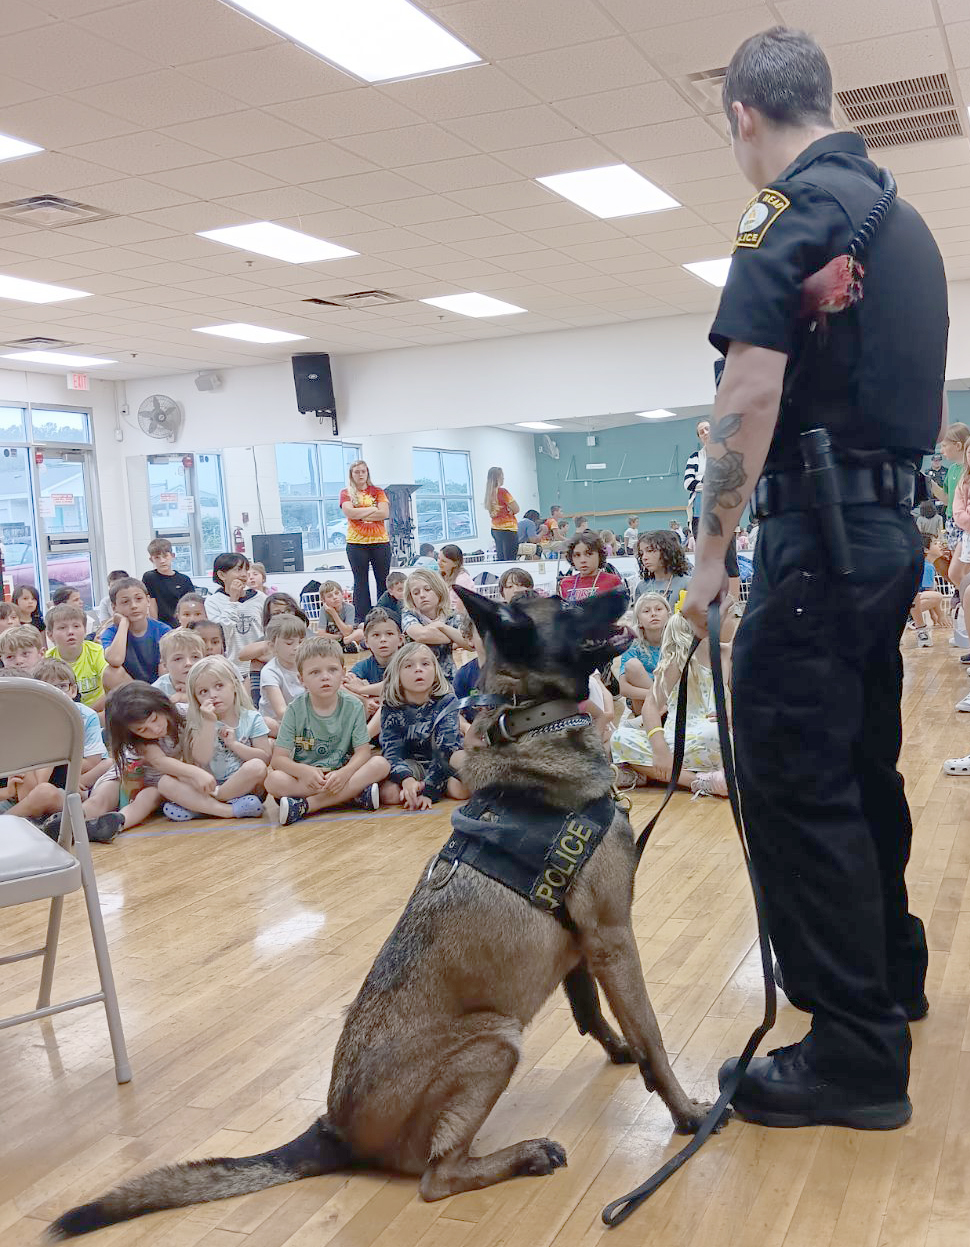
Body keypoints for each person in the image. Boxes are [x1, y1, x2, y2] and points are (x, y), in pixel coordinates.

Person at [682, 26, 947, 1129]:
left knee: (796, 777)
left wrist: (706, 555)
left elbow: (746, 394)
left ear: (742, 116)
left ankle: (849, 1050)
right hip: (884, 535)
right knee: (857, 759)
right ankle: (886, 974)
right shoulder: (909, 221)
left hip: (817, 543)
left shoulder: (784, 212)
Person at [265, 637, 391, 825]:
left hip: (342, 774)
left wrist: (346, 772)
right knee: (273, 781)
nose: (325, 677)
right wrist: (303, 771)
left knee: (381, 764)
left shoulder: (354, 706)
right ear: (301, 679)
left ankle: (306, 805)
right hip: (308, 779)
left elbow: (363, 752)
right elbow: (278, 760)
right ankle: (351, 795)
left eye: (332, 670)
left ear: (343, 673)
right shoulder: (294, 710)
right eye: (315, 672)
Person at [3, 659, 120, 843]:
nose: (56, 694)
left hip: (52, 796)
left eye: (61, 687)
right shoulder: (30, 730)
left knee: (53, 793)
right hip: (22, 802)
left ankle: (64, 826)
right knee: (45, 793)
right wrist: (8, 793)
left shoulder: (54, 725)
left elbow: (93, 762)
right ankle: (83, 827)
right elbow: (27, 792)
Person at [612, 612, 727, 797]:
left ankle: (654, 775)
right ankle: (702, 781)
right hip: (689, 738)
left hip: (706, 735)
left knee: (621, 739)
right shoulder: (678, 661)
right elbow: (650, 705)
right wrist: (660, 749)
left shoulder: (725, 652)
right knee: (620, 737)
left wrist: (731, 713)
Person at [83, 683, 209, 834]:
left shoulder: (184, 714)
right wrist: (196, 773)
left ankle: (114, 824)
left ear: (160, 704)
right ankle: (69, 823)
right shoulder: (137, 741)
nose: (155, 729)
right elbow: (160, 761)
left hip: (159, 782)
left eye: (155, 719)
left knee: (147, 798)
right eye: (142, 729)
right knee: (100, 800)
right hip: (127, 773)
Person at [162, 656, 269, 821]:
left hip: (245, 786)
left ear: (234, 685)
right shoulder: (200, 721)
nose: (213, 695)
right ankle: (219, 807)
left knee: (257, 766)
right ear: (196, 698)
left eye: (219, 686)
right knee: (165, 782)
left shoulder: (252, 717)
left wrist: (234, 744)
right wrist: (209, 723)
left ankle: (203, 806)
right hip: (211, 783)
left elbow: (264, 757)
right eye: (203, 692)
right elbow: (200, 758)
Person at [378, 643, 468, 810]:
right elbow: (391, 751)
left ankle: (430, 787)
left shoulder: (447, 701)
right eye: (409, 665)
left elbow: (446, 750)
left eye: (425, 664)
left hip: (444, 764)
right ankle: (414, 788)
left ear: (435, 671)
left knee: (461, 790)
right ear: (397, 674)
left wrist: (428, 792)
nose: (418, 669)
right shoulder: (390, 706)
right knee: (389, 795)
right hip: (412, 764)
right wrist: (407, 780)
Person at [340, 459, 391, 622]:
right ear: (352, 475)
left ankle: (386, 614)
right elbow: (350, 513)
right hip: (356, 543)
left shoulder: (378, 491)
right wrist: (372, 509)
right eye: (357, 472)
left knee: (383, 579)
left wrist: (359, 512)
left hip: (380, 542)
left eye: (363, 471)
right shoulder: (346, 492)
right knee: (360, 581)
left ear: (367, 473)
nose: (360, 474)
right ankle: (362, 618)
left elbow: (384, 513)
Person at [204, 553, 264, 680]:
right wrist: (233, 600)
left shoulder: (260, 598)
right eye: (238, 570)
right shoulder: (213, 602)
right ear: (221, 575)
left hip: (259, 665)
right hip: (231, 667)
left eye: (246, 569)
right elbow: (222, 635)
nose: (244, 574)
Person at [400, 568, 467, 682]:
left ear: (438, 590)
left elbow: (468, 643)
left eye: (427, 589)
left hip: (448, 677)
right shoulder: (409, 614)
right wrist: (452, 637)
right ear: (411, 598)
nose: (422, 595)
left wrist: (441, 626)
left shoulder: (451, 615)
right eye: (416, 593)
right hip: (416, 679)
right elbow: (421, 635)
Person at [101, 577, 170, 685]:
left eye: (138, 599)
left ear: (147, 601)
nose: (134, 606)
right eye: (125, 602)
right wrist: (123, 625)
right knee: (111, 673)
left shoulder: (163, 630)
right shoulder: (110, 632)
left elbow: (166, 673)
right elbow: (115, 660)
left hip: (159, 689)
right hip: (131, 690)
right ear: (114, 608)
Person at [45, 602, 114, 710]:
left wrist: (88, 713)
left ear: (85, 630)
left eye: (76, 626)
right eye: (62, 628)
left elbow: (112, 688)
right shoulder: (47, 659)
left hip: (96, 710)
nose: (70, 632)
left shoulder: (97, 652)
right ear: (50, 635)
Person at [343, 608, 403, 723]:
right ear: (366, 642)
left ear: (400, 639)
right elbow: (342, 685)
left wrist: (361, 689)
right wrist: (366, 700)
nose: (383, 640)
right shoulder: (365, 665)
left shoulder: (407, 661)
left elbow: (396, 685)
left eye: (389, 634)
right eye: (376, 635)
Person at [617, 592, 672, 714]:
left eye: (658, 609)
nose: (653, 613)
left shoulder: (677, 641)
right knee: (632, 664)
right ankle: (657, 713)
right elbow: (623, 689)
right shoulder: (633, 645)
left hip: (672, 694)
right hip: (644, 702)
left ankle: (661, 713)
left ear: (669, 616)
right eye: (646, 611)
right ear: (639, 621)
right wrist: (658, 696)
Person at [257, 614, 307, 734]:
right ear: (272, 646)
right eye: (289, 643)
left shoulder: (307, 664)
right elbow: (281, 711)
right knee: (268, 723)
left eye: (300, 642)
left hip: (306, 718)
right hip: (280, 723)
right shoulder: (270, 672)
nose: (297, 647)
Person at [142, 537, 196, 628]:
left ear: (172, 556)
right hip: (160, 626)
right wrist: (155, 627)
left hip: (181, 625)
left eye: (165, 556)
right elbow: (151, 603)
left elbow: (190, 605)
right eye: (157, 557)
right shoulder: (149, 577)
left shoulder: (184, 580)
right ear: (151, 560)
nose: (162, 561)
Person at [634, 531, 693, 608]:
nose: (644, 557)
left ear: (667, 551)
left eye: (650, 551)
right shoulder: (642, 587)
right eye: (641, 553)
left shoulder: (687, 584)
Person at [558, 532, 623, 602]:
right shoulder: (565, 584)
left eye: (589, 554)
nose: (582, 560)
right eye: (577, 555)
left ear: (599, 555)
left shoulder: (612, 581)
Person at [153, 627, 205, 707]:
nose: (188, 663)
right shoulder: (157, 691)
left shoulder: (212, 683)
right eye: (178, 659)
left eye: (195, 657)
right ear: (165, 665)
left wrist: (190, 698)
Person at [483, 466, 519, 561]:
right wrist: (510, 510)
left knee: (501, 558)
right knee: (510, 559)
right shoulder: (503, 492)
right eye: (502, 476)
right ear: (498, 478)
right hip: (508, 529)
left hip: (495, 529)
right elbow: (516, 509)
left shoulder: (489, 494)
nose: (503, 478)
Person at [314, 580, 358, 652]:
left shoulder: (349, 608)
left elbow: (347, 632)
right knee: (316, 639)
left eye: (337, 593)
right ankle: (344, 646)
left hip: (348, 637)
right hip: (335, 639)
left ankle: (351, 645)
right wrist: (340, 637)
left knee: (361, 629)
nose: (335, 597)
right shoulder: (323, 610)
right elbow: (321, 634)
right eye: (330, 596)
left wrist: (334, 614)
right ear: (323, 600)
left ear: (342, 594)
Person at [437, 544, 476, 612]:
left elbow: (461, 608)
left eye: (444, 561)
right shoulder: (440, 575)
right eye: (438, 558)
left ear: (455, 564)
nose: (438, 563)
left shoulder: (462, 579)